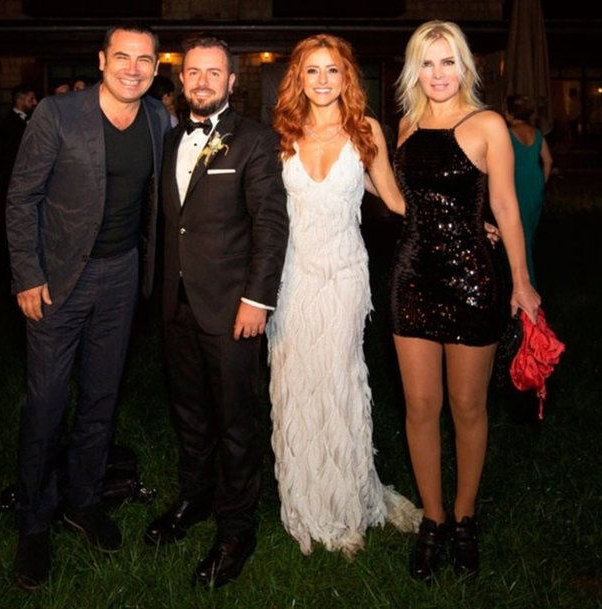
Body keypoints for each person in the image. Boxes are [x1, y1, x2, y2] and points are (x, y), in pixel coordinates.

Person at [6, 24, 170, 590]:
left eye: (144, 60)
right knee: (47, 402)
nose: (132, 69)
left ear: (156, 68)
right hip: (58, 280)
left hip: (122, 276)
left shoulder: (157, 119)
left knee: (102, 396)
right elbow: (22, 197)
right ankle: (33, 521)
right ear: (102, 60)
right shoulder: (57, 115)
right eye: (122, 57)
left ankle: (83, 499)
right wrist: (28, 274)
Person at [391, 20, 541, 580]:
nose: (438, 74)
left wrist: (521, 280)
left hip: (472, 280)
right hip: (411, 278)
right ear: (415, 69)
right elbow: (408, 201)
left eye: (448, 61)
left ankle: (464, 517)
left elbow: (505, 205)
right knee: (420, 407)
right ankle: (432, 519)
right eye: (427, 62)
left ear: (465, 67)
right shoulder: (406, 125)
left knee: (468, 406)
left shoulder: (487, 124)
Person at [266, 33, 421, 559]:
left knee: (337, 381)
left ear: (346, 77)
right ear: (298, 78)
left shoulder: (366, 131)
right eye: (312, 70)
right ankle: (304, 497)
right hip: (291, 278)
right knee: (295, 382)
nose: (323, 80)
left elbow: (394, 197)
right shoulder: (282, 133)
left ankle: (345, 500)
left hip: (343, 276)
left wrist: (462, 224)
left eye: (332, 70)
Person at [143, 35, 288, 589]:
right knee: (189, 412)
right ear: (182, 80)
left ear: (231, 81)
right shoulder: (169, 138)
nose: (202, 81)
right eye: (193, 72)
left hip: (232, 308)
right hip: (175, 304)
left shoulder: (255, 140)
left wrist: (256, 299)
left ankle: (236, 527)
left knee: (235, 420)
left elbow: (270, 225)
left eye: (213, 73)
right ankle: (195, 496)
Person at [505, 94, 553, 288]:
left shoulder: (507, 134)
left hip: (517, 184)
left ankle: (526, 284)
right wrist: (541, 182)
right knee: (527, 233)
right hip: (535, 184)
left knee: (519, 237)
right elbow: (548, 160)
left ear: (509, 113)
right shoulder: (537, 133)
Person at [0, 84, 38, 202]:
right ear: (19, 101)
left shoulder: (31, 119)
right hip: (15, 176)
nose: (35, 102)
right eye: (31, 99)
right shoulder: (10, 123)